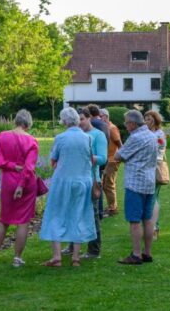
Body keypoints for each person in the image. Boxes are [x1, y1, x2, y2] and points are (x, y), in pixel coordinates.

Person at [39, 107, 97, 267]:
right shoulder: (87, 138)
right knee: (78, 215)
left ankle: (57, 257)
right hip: (83, 181)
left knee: (55, 215)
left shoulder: (60, 138)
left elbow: (53, 161)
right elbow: (89, 158)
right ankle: (76, 258)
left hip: (63, 181)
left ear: (64, 121)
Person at [0, 109, 39, 268]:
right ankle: (17, 258)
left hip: (8, 181)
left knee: (4, 220)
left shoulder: (2, 136)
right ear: (27, 124)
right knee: (23, 222)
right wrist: (21, 185)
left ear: (15, 121)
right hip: (27, 183)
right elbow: (29, 168)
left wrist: (12, 166)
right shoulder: (32, 141)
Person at [113, 109, 158, 265]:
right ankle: (147, 253)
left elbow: (118, 156)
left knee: (134, 220)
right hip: (150, 182)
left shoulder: (135, 137)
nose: (125, 126)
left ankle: (136, 254)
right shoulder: (152, 136)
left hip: (135, 183)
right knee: (148, 219)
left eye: (126, 123)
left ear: (132, 123)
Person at [63, 108, 107, 259]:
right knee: (72, 213)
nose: (80, 122)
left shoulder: (98, 135)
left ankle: (94, 250)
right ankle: (71, 245)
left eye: (82, 119)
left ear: (89, 118)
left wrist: (87, 157)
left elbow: (103, 158)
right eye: (78, 119)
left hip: (91, 180)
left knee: (92, 216)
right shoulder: (75, 135)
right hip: (74, 179)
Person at [144, 110, 166, 240]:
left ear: (155, 120)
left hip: (154, 169)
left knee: (153, 198)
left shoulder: (159, 134)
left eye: (149, 118)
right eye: (145, 118)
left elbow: (157, 151)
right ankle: (150, 228)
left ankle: (154, 229)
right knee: (150, 198)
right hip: (146, 169)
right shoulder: (147, 133)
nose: (147, 121)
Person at [87, 104, 110, 219]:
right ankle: (99, 212)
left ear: (89, 116)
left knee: (97, 185)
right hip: (103, 155)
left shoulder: (94, 126)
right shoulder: (105, 124)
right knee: (99, 185)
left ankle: (98, 212)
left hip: (95, 159)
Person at [101, 108, 123, 217]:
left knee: (109, 184)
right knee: (105, 185)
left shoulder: (112, 128)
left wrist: (120, 158)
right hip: (107, 159)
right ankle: (111, 206)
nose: (99, 119)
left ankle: (113, 208)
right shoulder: (105, 128)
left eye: (101, 116)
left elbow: (120, 144)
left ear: (105, 116)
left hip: (113, 160)